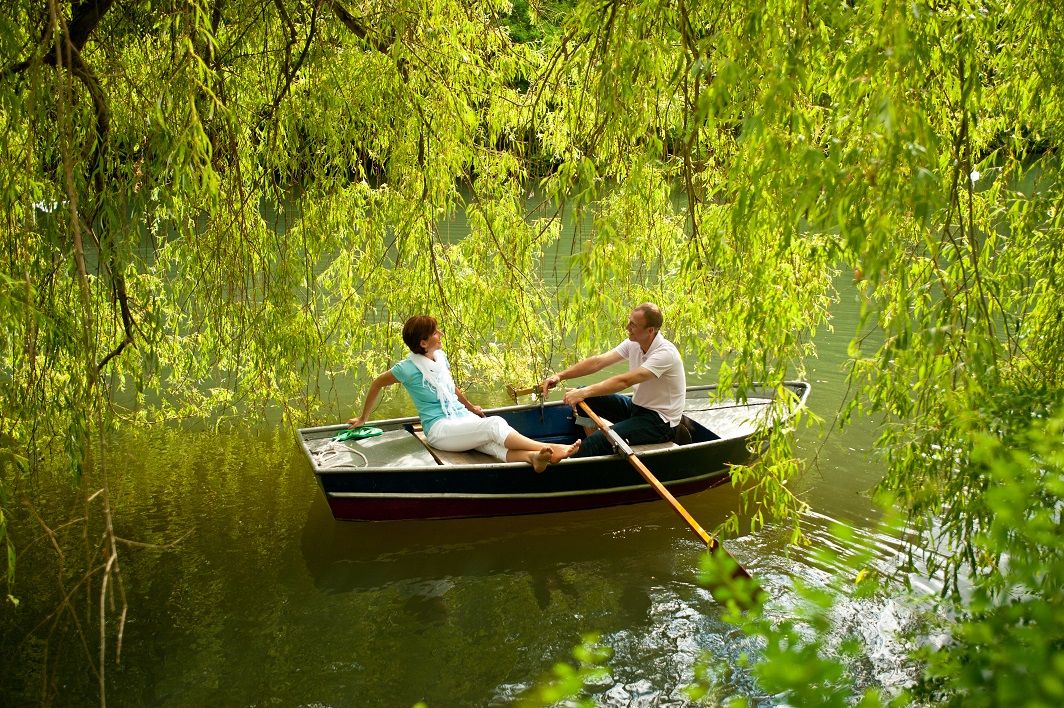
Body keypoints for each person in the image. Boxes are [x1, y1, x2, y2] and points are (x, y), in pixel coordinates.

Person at [348, 315, 580, 472]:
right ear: (423, 342)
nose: (440, 333)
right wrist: (363, 418)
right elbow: (377, 383)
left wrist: (470, 407)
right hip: (439, 429)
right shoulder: (406, 369)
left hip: (460, 419)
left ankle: (533, 458)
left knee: (492, 443)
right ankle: (547, 449)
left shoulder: (440, 358)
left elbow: (452, 387)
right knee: (493, 425)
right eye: (435, 332)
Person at [539, 303, 686, 457]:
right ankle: (593, 449)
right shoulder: (634, 342)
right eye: (629, 321)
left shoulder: (665, 354)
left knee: (599, 437)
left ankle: (589, 449)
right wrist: (560, 375)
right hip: (637, 408)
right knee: (586, 398)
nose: (627, 327)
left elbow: (624, 381)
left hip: (660, 423)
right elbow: (598, 362)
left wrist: (583, 392)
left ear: (650, 331)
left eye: (633, 325)